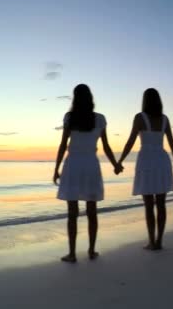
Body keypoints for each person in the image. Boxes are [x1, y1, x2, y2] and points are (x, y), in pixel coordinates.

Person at [53, 84, 123, 263]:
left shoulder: (70, 117)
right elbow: (106, 146)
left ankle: (72, 253)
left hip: (73, 164)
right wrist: (115, 164)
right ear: (91, 98)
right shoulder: (100, 119)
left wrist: (56, 168)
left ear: (75, 98)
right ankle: (91, 251)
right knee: (92, 211)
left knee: (72, 212)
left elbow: (63, 145)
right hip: (91, 164)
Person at [118, 88, 173, 250]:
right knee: (161, 204)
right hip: (162, 159)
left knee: (148, 205)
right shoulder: (164, 119)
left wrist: (120, 161)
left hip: (146, 159)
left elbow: (130, 142)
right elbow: (172, 143)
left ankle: (151, 241)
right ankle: (159, 241)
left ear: (144, 101)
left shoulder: (140, 117)